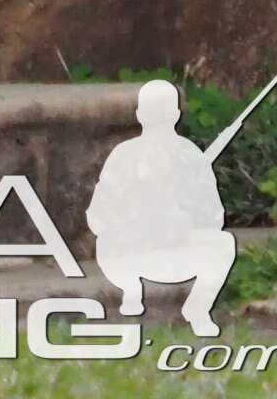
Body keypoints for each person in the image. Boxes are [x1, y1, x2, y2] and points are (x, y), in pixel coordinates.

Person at [90, 78, 237, 334]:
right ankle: (179, 302)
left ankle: (161, 298)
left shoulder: (180, 156)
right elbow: (214, 219)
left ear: (139, 115)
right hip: (140, 254)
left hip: (149, 256)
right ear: (176, 114)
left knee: (223, 242)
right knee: (223, 244)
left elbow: (97, 218)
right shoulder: (179, 153)